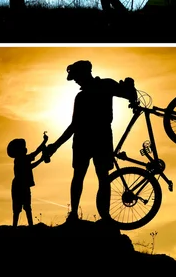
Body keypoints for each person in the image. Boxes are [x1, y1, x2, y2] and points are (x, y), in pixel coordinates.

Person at [43, 61, 137, 223]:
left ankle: (98, 216)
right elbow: (74, 125)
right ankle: (79, 214)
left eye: (76, 78)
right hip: (95, 138)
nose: (76, 82)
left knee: (93, 176)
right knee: (91, 176)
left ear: (84, 74)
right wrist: (130, 85)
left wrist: (130, 85)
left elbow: (74, 126)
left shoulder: (95, 90)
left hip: (91, 138)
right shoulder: (98, 89)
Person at [7, 131, 49, 227]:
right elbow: (32, 163)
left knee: (26, 207)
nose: (25, 149)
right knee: (19, 208)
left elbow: (36, 152)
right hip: (20, 185)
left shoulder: (21, 158)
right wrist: (42, 158)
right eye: (23, 147)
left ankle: (26, 226)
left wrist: (44, 143)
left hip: (21, 185)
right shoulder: (20, 159)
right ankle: (20, 227)